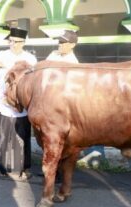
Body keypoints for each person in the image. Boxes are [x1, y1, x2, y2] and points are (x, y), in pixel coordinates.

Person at [0, 28, 37, 179]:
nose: (12, 44)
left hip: (22, 106)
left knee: (22, 137)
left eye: (15, 42)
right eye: (10, 41)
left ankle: (24, 168)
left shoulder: (30, 58)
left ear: (23, 42)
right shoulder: (2, 55)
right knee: (5, 137)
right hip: (5, 104)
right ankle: (4, 168)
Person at [46, 30, 79, 183]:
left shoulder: (73, 63)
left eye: (63, 43)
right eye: (59, 42)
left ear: (72, 45)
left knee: (62, 141)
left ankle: (60, 173)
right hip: (49, 104)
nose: (60, 45)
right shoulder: (53, 55)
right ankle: (51, 170)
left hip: (63, 107)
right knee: (49, 139)